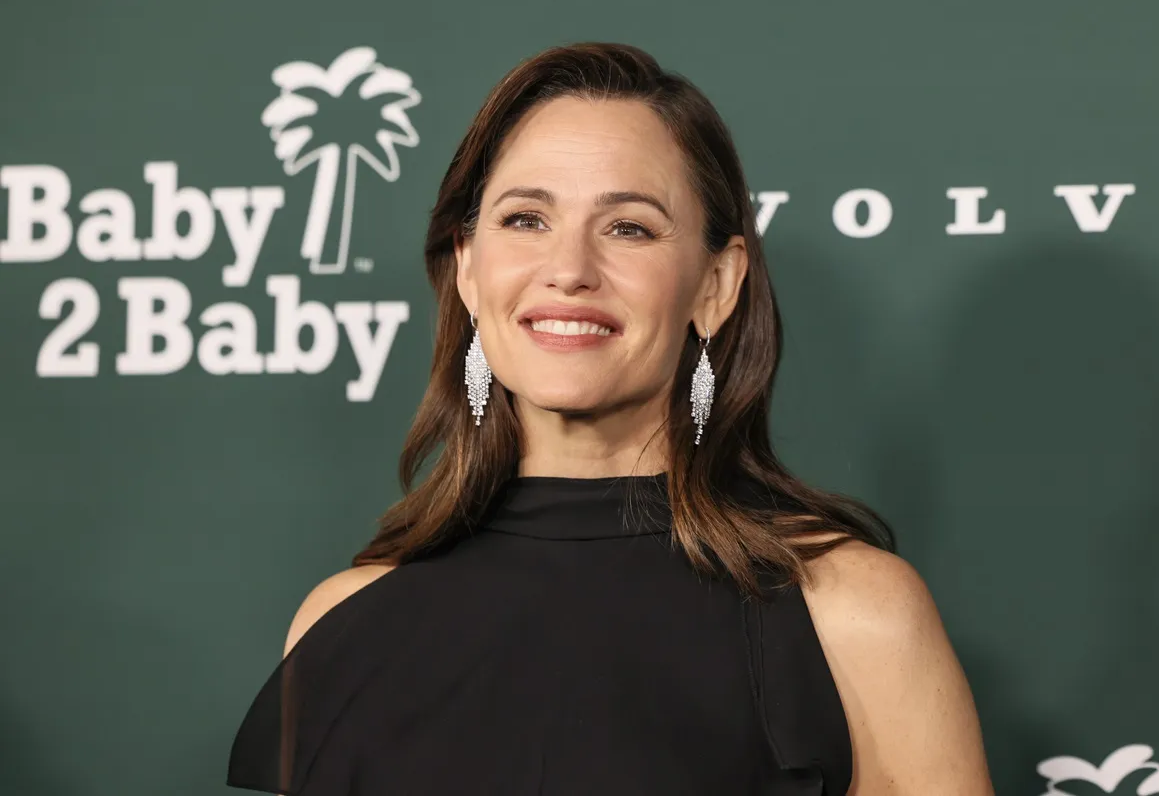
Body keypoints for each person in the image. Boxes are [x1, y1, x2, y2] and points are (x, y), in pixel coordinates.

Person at [226, 42, 994, 795]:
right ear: (467, 267)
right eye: (526, 219)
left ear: (716, 285)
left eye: (628, 227)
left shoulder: (852, 616)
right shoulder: (344, 622)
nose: (569, 270)